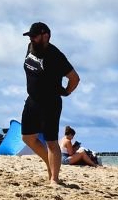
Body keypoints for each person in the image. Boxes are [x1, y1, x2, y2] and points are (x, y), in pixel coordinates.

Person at [22, 21, 80, 186]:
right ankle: (49, 162)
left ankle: (54, 179)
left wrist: (67, 91)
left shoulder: (56, 55)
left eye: (35, 36)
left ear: (45, 36)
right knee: (27, 137)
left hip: (50, 103)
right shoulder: (30, 47)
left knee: (51, 142)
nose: (32, 39)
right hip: (32, 100)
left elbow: (75, 78)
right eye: (30, 36)